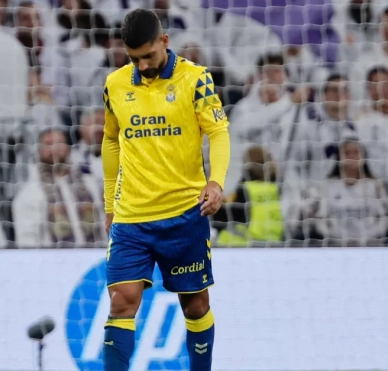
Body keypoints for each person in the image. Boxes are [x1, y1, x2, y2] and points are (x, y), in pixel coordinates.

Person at [100, 9, 230, 371]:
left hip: (184, 214)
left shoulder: (196, 79)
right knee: (121, 302)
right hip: (131, 217)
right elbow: (111, 142)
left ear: (165, 42)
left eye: (149, 56)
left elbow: (218, 132)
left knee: (196, 306)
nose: (142, 65)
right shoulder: (115, 85)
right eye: (134, 59)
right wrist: (110, 203)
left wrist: (216, 181)